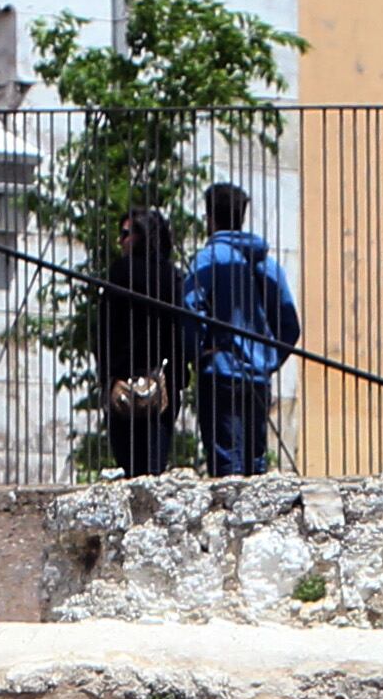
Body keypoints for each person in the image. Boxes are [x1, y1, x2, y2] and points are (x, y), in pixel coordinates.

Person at [183, 181, 299, 479]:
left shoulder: (209, 259)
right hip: (258, 375)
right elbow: (289, 325)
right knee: (254, 459)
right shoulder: (268, 264)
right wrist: (268, 360)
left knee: (225, 459)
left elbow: (190, 310)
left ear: (210, 218)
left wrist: (196, 352)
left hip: (220, 370)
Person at [95, 205, 183, 479]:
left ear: (141, 235)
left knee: (129, 464)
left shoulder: (121, 272)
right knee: (155, 467)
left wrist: (107, 376)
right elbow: (179, 332)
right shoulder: (173, 276)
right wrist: (178, 378)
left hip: (123, 381)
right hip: (161, 382)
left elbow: (105, 330)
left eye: (125, 234)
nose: (119, 241)